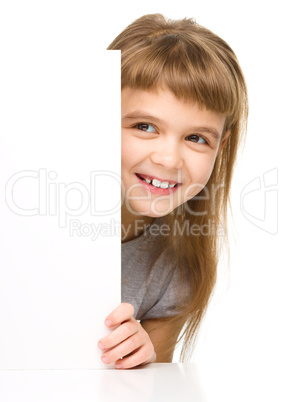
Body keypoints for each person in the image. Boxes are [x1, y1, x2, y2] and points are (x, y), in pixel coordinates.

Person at [97, 13, 248, 370]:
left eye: (196, 138)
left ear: (220, 147)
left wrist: (142, 359)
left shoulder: (177, 267)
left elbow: (152, 386)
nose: (167, 159)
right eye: (145, 126)